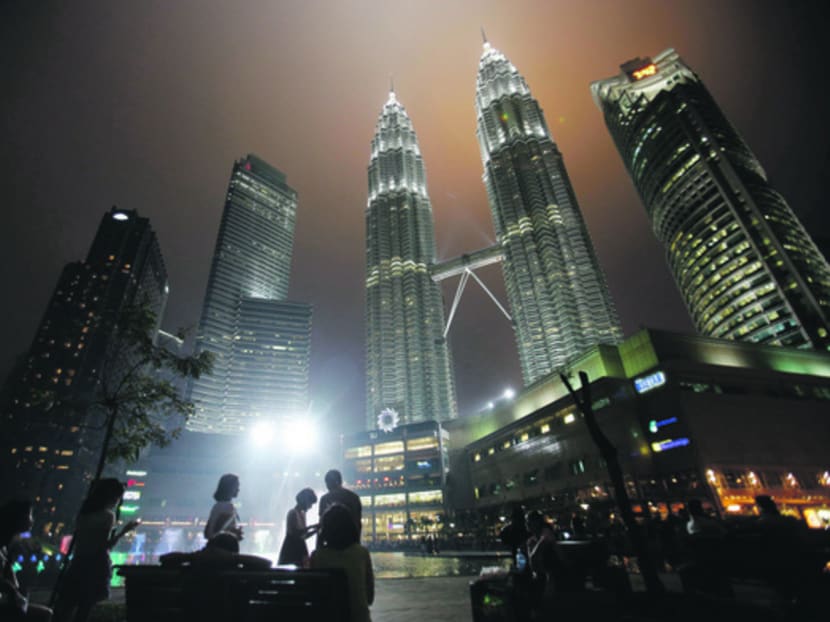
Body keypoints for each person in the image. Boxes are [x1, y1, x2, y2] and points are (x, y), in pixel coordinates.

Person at [54, 479, 139, 622]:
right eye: (118, 497)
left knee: (67, 607)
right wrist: (125, 531)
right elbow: (105, 546)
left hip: (78, 562)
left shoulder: (84, 514)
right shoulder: (107, 516)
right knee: (84, 608)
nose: (117, 501)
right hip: (96, 565)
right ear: (112, 497)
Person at [310, 504, 374, 622]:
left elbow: (314, 596)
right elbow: (369, 598)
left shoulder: (316, 557)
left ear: (325, 529)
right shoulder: (361, 553)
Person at [0, 499, 52, 621]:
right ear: (19, 518)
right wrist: (11, 590)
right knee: (44, 615)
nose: (32, 520)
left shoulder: (7, 546)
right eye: (30, 514)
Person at [160, 533, 271, 570]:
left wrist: (193, 556)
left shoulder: (197, 565)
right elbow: (266, 563)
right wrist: (234, 558)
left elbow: (164, 559)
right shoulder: (233, 570)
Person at [278, 488, 318, 567]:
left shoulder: (302, 514)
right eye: (310, 503)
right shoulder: (292, 513)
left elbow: (304, 535)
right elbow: (296, 533)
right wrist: (313, 527)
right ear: (304, 501)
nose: (310, 507)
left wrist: (315, 530)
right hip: (292, 549)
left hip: (298, 548)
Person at [318, 470, 362, 538]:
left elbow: (321, 524)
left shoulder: (325, 499)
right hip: (350, 539)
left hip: (331, 541)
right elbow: (357, 521)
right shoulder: (354, 498)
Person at [204, 474, 243, 541]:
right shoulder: (227, 507)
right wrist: (235, 533)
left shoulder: (217, 506)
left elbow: (207, 533)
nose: (238, 489)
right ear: (229, 487)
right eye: (237, 486)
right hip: (222, 548)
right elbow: (220, 532)